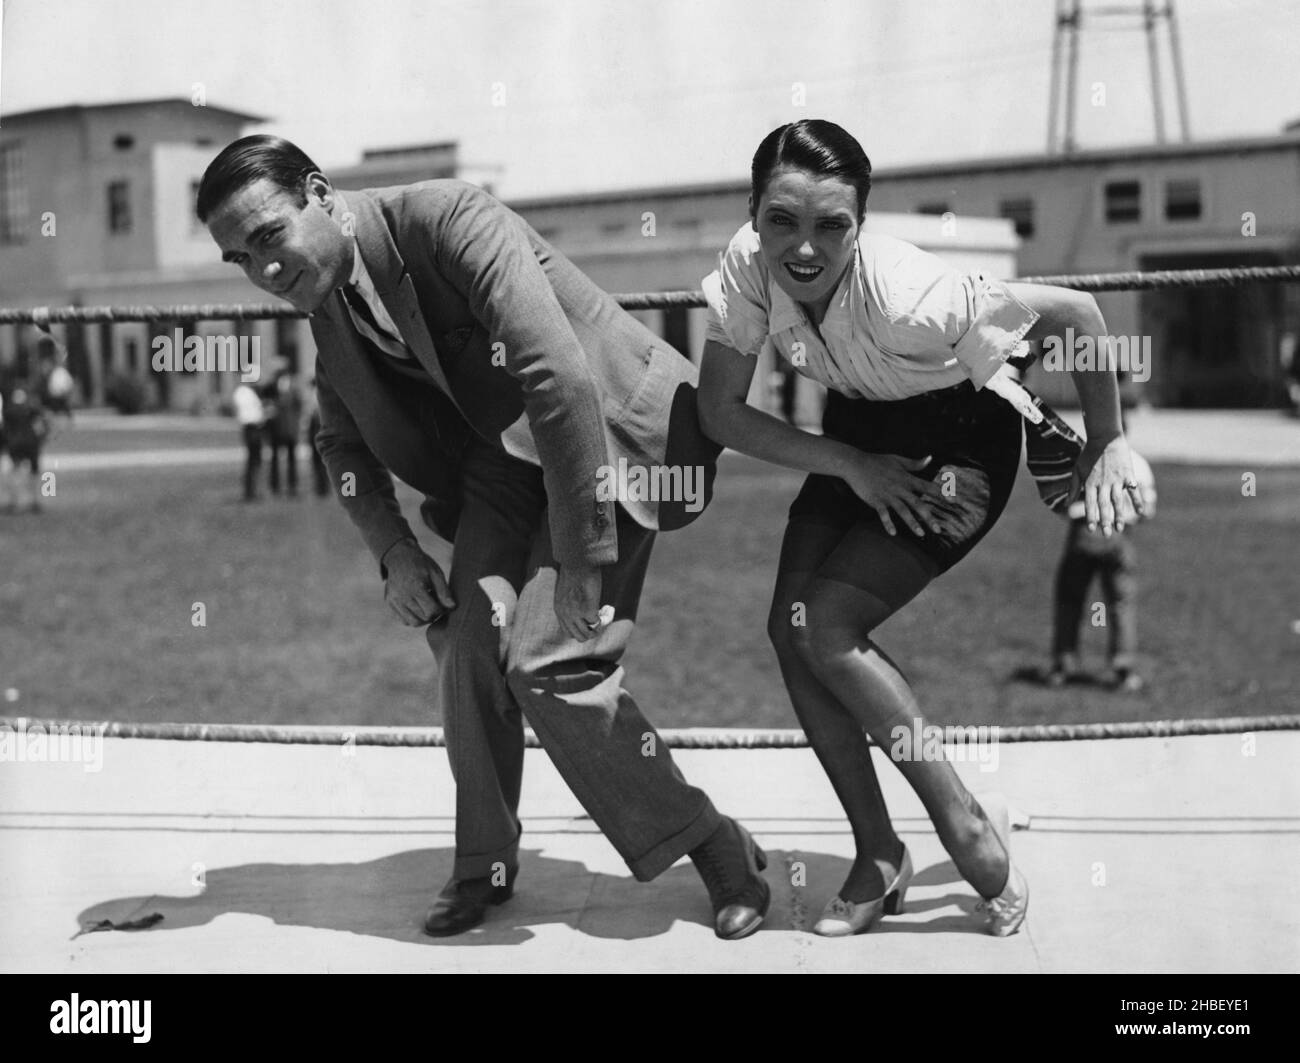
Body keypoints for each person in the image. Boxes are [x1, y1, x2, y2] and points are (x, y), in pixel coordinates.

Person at [197, 135, 769, 939]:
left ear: (321, 194)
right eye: (239, 260)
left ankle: (714, 843)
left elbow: (557, 375)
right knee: (466, 643)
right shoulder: (327, 307)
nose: (263, 271)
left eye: (268, 238)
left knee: (548, 659)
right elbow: (341, 445)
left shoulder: (446, 217)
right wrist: (395, 552)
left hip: (607, 435)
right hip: (502, 468)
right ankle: (485, 865)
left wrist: (579, 555)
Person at [697, 120, 1143, 938]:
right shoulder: (744, 270)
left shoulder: (913, 294)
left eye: (831, 225)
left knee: (827, 624)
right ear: (753, 210)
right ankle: (877, 854)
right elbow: (719, 412)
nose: (803, 248)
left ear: (861, 226)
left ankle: (967, 829)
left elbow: (1077, 312)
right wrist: (850, 463)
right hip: (856, 438)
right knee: (789, 625)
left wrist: (1109, 441)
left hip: (959, 441)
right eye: (781, 220)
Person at [1049, 446, 1156, 692]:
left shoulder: (1080, 458)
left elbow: (1061, 500)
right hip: (1120, 534)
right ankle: (1124, 670)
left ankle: (1063, 666)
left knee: (1070, 599)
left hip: (1083, 530)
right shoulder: (1138, 462)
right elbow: (1147, 509)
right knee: (1121, 603)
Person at [1, 382, 50, 514]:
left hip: (15, 444)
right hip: (31, 444)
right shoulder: (32, 409)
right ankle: (34, 501)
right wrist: (41, 439)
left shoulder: (8, 410)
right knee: (33, 472)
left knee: (14, 471)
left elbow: (4, 430)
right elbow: (43, 424)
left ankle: (14, 502)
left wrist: (4, 445)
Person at [263, 366, 303, 497]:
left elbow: (299, 409)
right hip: (277, 431)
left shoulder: (293, 392)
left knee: (292, 460)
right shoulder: (272, 391)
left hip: (290, 431)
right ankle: (275, 487)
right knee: (274, 460)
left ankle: (292, 486)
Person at [231, 381, 265, 501]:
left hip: (254, 427)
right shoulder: (244, 392)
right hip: (251, 428)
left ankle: (253, 490)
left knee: (255, 461)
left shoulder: (246, 392)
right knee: (253, 461)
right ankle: (250, 491)